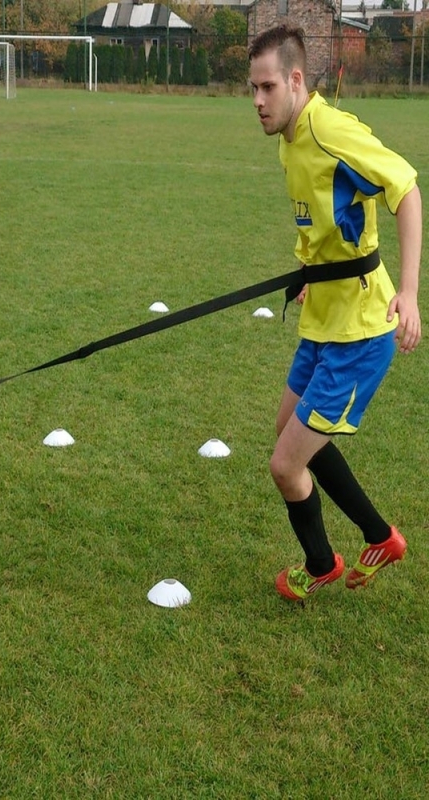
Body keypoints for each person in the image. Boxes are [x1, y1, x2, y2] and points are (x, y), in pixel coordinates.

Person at [248, 25, 422, 601]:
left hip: (362, 332)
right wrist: (306, 272)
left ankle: (321, 563)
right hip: (323, 319)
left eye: (268, 87)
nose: (258, 100)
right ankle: (378, 537)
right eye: (251, 88)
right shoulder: (289, 139)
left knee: (284, 464)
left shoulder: (329, 130)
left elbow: (405, 188)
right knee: (289, 438)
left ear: (296, 81)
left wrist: (411, 293)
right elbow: (320, 222)